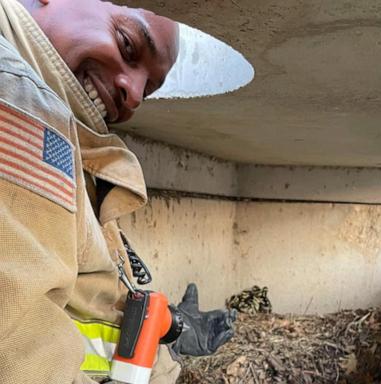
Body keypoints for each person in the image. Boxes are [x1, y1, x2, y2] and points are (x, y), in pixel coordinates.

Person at [0, 0, 235, 383]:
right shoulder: (18, 98)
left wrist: (169, 334)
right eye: (128, 44)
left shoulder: (64, 131)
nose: (136, 96)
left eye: (150, 88)